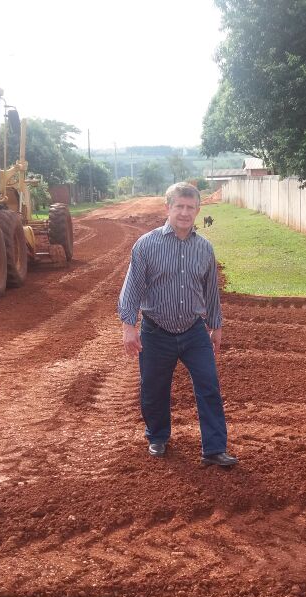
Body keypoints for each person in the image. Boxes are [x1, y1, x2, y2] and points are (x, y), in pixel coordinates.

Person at [118, 182, 238, 467]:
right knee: (154, 388)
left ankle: (214, 449)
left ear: (197, 210)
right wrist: (128, 326)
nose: (184, 213)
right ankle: (157, 437)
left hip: (194, 331)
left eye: (190, 207)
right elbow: (132, 287)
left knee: (209, 386)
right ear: (168, 208)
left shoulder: (204, 248)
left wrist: (216, 326)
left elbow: (210, 291)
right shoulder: (146, 245)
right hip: (156, 331)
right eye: (179, 206)